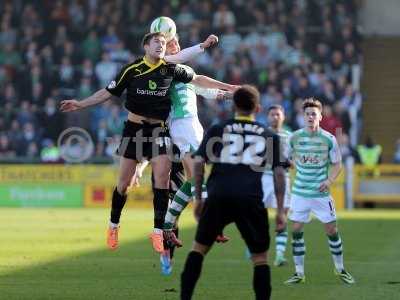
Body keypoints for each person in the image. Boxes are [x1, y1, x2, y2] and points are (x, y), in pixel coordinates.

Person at [60, 32, 233, 254]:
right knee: (124, 184)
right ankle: (113, 225)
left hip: (159, 129)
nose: (161, 46)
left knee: (162, 177)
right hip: (134, 130)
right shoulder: (132, 70)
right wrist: (80, 104)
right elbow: (108, 92)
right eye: (157, 42)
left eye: (163, 42)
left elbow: (198, 79)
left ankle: (159, 231)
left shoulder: (170, 69)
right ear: (146, 46)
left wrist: (229, 87)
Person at [180, 85, 287, 300]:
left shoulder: (218, 129)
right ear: (257, 108)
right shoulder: (269, 136)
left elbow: (199, 161)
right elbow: (279, 174)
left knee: (198, 250)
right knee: (260, 259)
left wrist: (200, 198)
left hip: (219, 194)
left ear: (234, 106)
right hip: (250, 198)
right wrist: (281, 210)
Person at [284, 98, 355, 284]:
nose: (310, 116)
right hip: (300, 192)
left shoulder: (329, 139)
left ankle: (340, 269)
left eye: (313, 114)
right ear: (303, 116)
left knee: (332, 230)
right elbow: (285, 158)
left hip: (321, 195)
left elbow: (338, 164)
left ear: (320, 116)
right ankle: (299, 273)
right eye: (307, 114)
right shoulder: (295, 137)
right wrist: (290, 164)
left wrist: (329, 180)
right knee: (296, 229)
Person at [262, 104, 291, 267]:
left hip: (284, 178)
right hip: (264, 178)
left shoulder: (290, 136)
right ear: (268, 117)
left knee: (283, 214)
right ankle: (256, 247)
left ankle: (279, 255)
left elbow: (294, 159)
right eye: (272, 115)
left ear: (283, 116)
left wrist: (290, 162)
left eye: (278, 115)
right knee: (259, 214)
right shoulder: (261, 134)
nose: (275, 117)